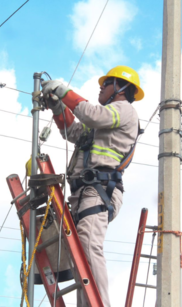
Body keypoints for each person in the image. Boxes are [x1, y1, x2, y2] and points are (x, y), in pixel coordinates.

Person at [40, 66, 144, 307]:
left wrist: (64, 92)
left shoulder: (124, 110)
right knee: (79, 255)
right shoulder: (101, 121)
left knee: (87, 244)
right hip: (84, 192)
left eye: (106, 83)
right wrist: (58, 108)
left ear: (122, 88)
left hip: (99, 190)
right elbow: (74, 131)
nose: (101, 87)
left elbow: (93, 114)